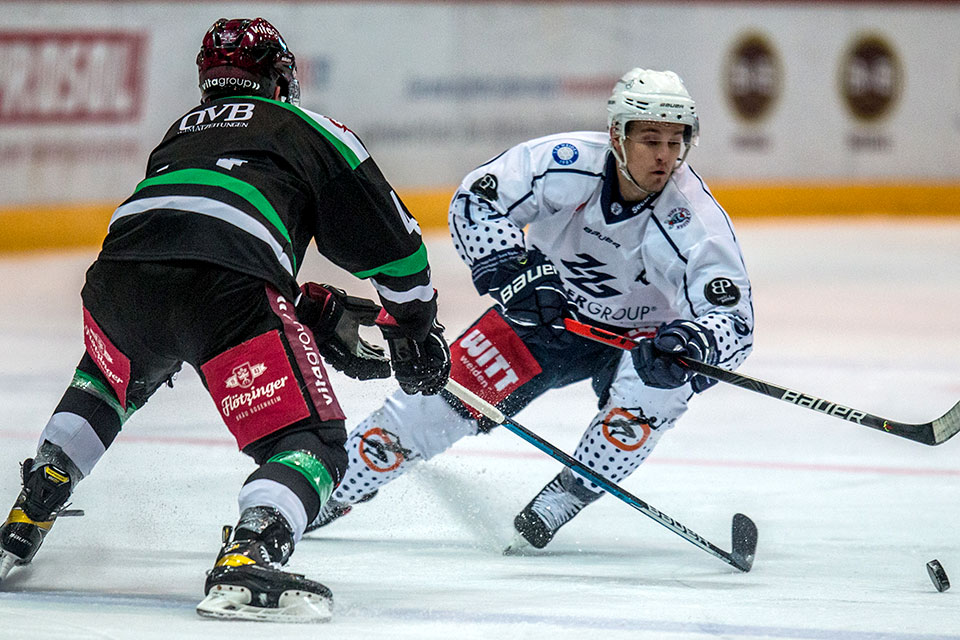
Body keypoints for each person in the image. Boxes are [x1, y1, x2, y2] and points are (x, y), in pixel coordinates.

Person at [0, 17, 450, 622]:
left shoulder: (180, 131)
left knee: (110, 380)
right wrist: (413, 328)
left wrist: (301, 306)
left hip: (118, 276)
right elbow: (396, 248)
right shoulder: (309, 127)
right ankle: (248, 553)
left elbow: (199, 227)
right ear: (279, 76)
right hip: (227, 289)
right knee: (311, 443)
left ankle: (33, 503)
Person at [306, 68, 754, 552]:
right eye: (650, 139)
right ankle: (330, 489)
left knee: (654, 396)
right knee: (434, 407)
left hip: (642, 341)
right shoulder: (564, 163)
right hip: (546, 318)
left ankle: (568, 493)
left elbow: (734, 320)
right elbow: (477, 200)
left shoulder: (696, 222)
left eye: (675, 140)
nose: (664, 156)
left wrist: (691, 344)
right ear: (616, 137)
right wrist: (511, 270)